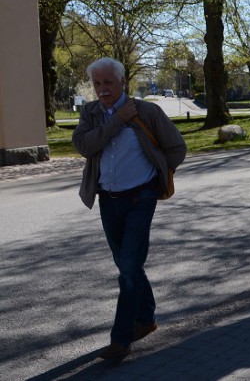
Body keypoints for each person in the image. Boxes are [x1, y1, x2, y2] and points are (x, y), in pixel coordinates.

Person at [72, 57, 187, 362]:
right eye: (97, 83)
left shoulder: (147, 112)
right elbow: (84, 146)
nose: (102, 89)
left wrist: (159, 174)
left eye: (108, 82)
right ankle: (146, 318)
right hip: (108, 200)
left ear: (123, 82)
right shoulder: (92, 112)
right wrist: (115, 122)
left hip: (140, 199)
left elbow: (177, 147)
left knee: (128, 271)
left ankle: (120, 340)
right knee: (128, 266)